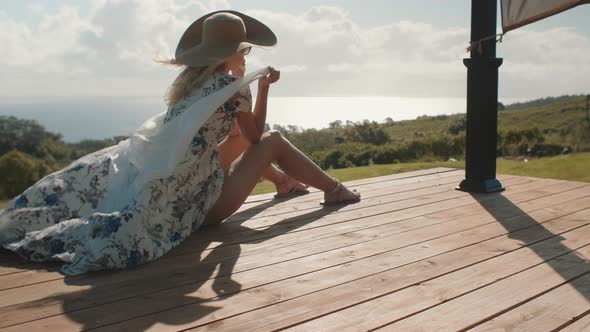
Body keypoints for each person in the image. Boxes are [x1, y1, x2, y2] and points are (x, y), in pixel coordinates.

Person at [0, 10, 360, 275]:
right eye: (244, 50)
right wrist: (263, 89)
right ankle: (334, 188)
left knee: (235, 137)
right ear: (236, 52)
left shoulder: (190, 88)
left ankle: (284, 181)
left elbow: (234, 140)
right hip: (201, 207)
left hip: (180, 195)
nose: (246, 56)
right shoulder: (232, 91)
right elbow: (257, 137)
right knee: (274, 139)